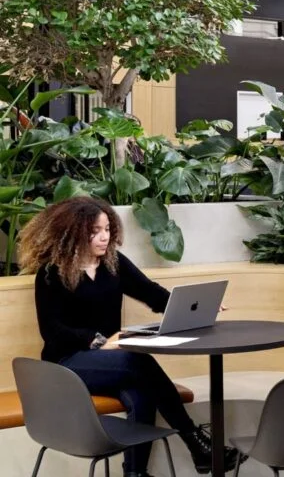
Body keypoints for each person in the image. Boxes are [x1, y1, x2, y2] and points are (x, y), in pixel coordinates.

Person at [17, 197, 243, 477]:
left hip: (112, 362)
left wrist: (194, 305)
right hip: (67, 363)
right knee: (138, 362)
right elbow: (52, 331)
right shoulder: (51, 273)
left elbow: (150, 292)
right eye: (95, 231)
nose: (104, 237)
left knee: (141, 392)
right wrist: (100, 341)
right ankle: (194, 440)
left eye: (107, 229)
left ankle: (135, 473)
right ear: (74, 231)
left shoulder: (113, 263)